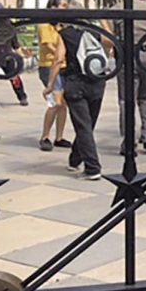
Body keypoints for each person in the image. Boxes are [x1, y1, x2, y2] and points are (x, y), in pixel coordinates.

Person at [44, 11, 105, 180]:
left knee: (83, 126)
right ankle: (75, 159)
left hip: (76, 82)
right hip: (97, 81)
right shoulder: (94, 31)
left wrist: (50, 84)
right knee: (88, 124)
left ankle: (92, 168)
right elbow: (109, 45)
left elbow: (58, 58)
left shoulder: (66, 34)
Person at [105, 0, 146, 154]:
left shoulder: (117, 8)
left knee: (126, 100)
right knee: (145, 97)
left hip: (127, 54)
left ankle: (129, 141)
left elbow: (108, 37)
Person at [37, 0, 72, 151]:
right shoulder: (45, 25)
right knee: (55, 102)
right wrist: (63, 53)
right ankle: (45, 136)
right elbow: (49, 46)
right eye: (62, 5)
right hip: (49, 66)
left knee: (63, 103)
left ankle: (59, 136)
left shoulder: (60, 26)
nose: (65, 8)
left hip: (63, 66)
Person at [0, 2, 29, 109]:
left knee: (14, 77)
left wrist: (20, 53)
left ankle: (22, 96)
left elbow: (15, 42)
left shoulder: (8, 24)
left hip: (7, 55)